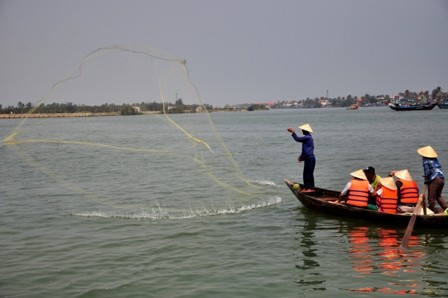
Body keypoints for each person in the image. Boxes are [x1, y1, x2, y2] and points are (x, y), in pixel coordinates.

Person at [417, 145, 447, 213]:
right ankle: (446, 209)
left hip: (435, 179)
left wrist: (426, 179)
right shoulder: (435, 159)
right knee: (438, 196)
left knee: (431, 197)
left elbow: (427, 171)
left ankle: (430, 211)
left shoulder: (426, 160)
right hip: (441, 178)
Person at [287, 123, 315, 192]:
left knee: (308, 173)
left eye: (303, 130)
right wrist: (301, 157)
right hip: (310, 158)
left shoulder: (307, 137)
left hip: (310, 158)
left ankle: (309, 188)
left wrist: (293, 132)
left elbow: (297, 139)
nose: (302, 131)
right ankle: (308, 188)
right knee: (307, 173)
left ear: (305, 131)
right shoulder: (308, 137)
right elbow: (306, 150)